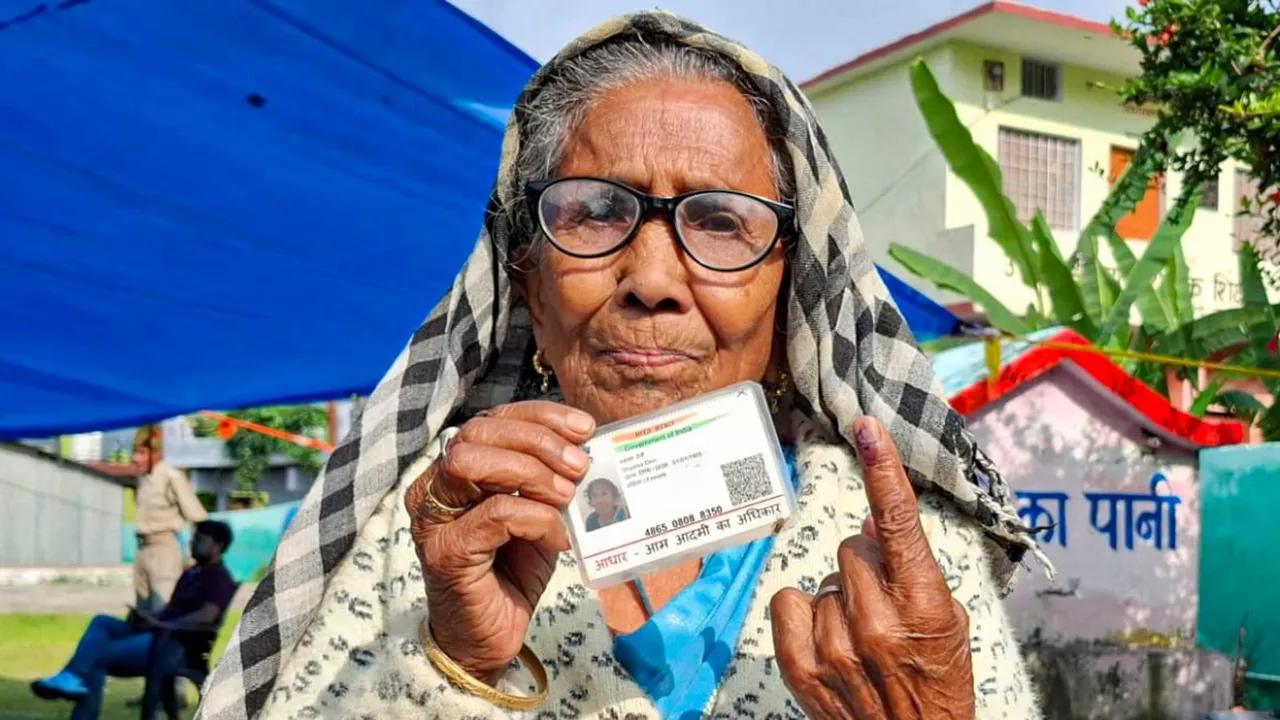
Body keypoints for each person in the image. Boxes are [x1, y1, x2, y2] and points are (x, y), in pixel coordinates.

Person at [201, 12, 1052, 720]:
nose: (650, 280)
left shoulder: (911, 562)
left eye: (721, 222)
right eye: (594, 213)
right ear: (526, 281)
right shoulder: (409, 527)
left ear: (791, 289)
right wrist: (457, 658)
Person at [32, 520, 237, 720]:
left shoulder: (218, 577)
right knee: (102, 622)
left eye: (200, 540)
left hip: (173, 645)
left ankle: (78, 697)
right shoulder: (191, 573)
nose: (193, 544)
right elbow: (171, 610)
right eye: (194, 539)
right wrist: (149, 617)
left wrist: (164, 625)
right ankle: (72, 677)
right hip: (157, 632)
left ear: (218, 546)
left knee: (97, 657)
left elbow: (208, 615)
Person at [132, 425, 209, 611]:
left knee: (162, 610)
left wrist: (193, 558)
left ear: (156, 452)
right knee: (141, 615)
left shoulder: (172, 477)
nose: (136, 458)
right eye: (135, 452)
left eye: (142, 452)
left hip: (164, 552)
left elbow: (198, 517)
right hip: (143, 550)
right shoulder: (143, 480)